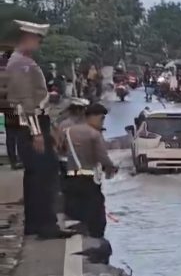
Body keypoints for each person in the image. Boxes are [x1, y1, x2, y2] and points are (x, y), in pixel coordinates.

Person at [6, 20, 72, 239]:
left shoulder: (22, 62)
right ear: (26, 38)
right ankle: (46, 225)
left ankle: (35, 224)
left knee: (35, 176)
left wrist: (50, 127)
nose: (39, 43)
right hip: (29, 125)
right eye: (37, 38)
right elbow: (26, 102)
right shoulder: (21, 64)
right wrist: (36, 132)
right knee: (45, 175)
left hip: (34, 123)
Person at [62, 102, 117, 238]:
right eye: (101, 118)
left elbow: (60, 150)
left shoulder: (68, 131)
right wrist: (111, 168)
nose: (102, 122)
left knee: (77, 211)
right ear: (92, 117)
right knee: (97, 216)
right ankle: (95, 240)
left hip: (70, 178)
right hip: (88, 180)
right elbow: (102, 157)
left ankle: (81, 234)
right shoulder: (94, 134)